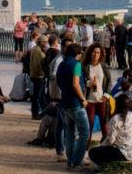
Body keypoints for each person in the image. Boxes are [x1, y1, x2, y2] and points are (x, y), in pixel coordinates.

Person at [57, 43, 90, 171]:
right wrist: (83, 99)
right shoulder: (76, 65)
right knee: (84, 133)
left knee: (70, 133)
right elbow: (76, 84)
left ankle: (70, 161)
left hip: (64, 102)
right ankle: (76, 161)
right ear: (78, 54)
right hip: (76, 103)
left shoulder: (62, 64)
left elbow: (57, 81)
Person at [88, 93, 132, 168]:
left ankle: (102, 166)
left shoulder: (115, 119)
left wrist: (102, 145)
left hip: (125, 153)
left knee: (93, 152)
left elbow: (110, 141)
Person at [29, 34, 48, 120]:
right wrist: (42, 73)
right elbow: (37, 64)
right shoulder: (37, 51)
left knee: (40, 95)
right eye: (46, 42)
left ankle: (41, 112)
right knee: (37, 96)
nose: (47, 44)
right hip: (38, 76)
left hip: (36, 75)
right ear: (42, 42)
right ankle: (35, 113)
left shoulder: (37, 49)